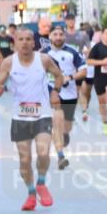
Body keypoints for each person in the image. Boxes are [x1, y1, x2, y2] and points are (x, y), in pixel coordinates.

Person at [0, 28, 66, 210]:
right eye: (20, 40)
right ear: (15, 43)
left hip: (43, 114)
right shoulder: (9, 63)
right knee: (24, 160)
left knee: (43, 153)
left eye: (28, 39)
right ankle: (31, 193)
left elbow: (59, 76)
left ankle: (41, 183)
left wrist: (55, 92)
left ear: (34, 43)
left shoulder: (44, 60)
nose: (24, 43)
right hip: (20, 117)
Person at [41, 26, 86, 169]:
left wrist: (70, 77)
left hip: (70, 95)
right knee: (56, 122)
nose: (58, 37)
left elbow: (84, 71)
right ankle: (61, 156)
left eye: (61, 34)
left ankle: (65, 135)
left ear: (64, 37)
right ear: (50, 36)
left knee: (66, 127)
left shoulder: (72, 52)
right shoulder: (42, 54)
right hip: (51, 92)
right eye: (55, 34)